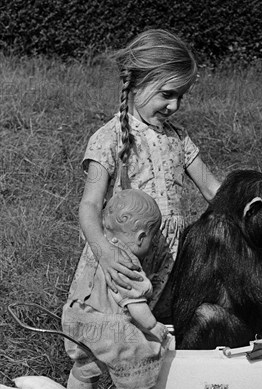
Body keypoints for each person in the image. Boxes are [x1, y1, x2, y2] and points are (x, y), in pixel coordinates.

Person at [78, 28, 220, 323]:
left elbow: (211, 189)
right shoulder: (109, 138)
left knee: (163, 325)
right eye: (167, 95)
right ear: (135, 82)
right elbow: (90, 206)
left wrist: (252, 209)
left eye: (181, 96)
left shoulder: (179, 138)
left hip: (173, 253)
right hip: (127, 253)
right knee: (119, 326)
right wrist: (104, 252)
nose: (175, 106)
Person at [60, 189, 171, 389]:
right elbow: (134, 304)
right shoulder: (125, 260)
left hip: (76, 319)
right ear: (141, 237)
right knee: (134, 356)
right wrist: (153, 327)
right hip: (106, 326)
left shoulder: (96, 248)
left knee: (84, 370)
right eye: (152, 238)